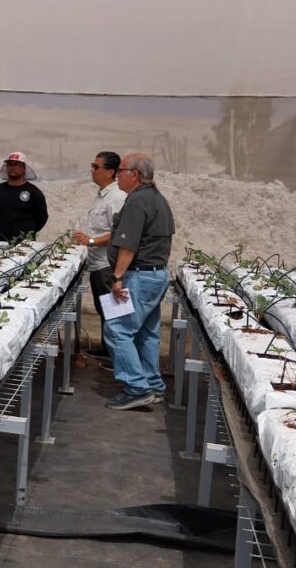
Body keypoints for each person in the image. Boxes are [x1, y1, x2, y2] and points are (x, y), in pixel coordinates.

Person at [103, 152, 175, 410]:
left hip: (138, 276)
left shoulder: (137, 202)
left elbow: (128, 245)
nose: (116, 175)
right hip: (155, 275)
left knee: (117, 330)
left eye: (120, 171)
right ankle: (153, 384)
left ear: (134, 174)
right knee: (146, 333)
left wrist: (118, 277)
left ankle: (136, 387)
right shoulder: (158, 199)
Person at [71, 151, 127, 366]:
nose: (92, 170)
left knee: (114, 313)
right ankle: (108, 349)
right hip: (98, 264)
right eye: (92, 166)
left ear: (110, 172)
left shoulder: (116, 197)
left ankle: (119, 358)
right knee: (104, 309)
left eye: (96, 167)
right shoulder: (102, 195)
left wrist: (91, 241)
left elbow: (120, 232)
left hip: (108, 265)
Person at [0, 151, 48, 244]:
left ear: (24, 168)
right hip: (0, 242)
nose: (13, 167)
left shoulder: (34, 192)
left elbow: (42, 217)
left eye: (17, 164)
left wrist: (28, 231)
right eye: (10, 164)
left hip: (26, 244)